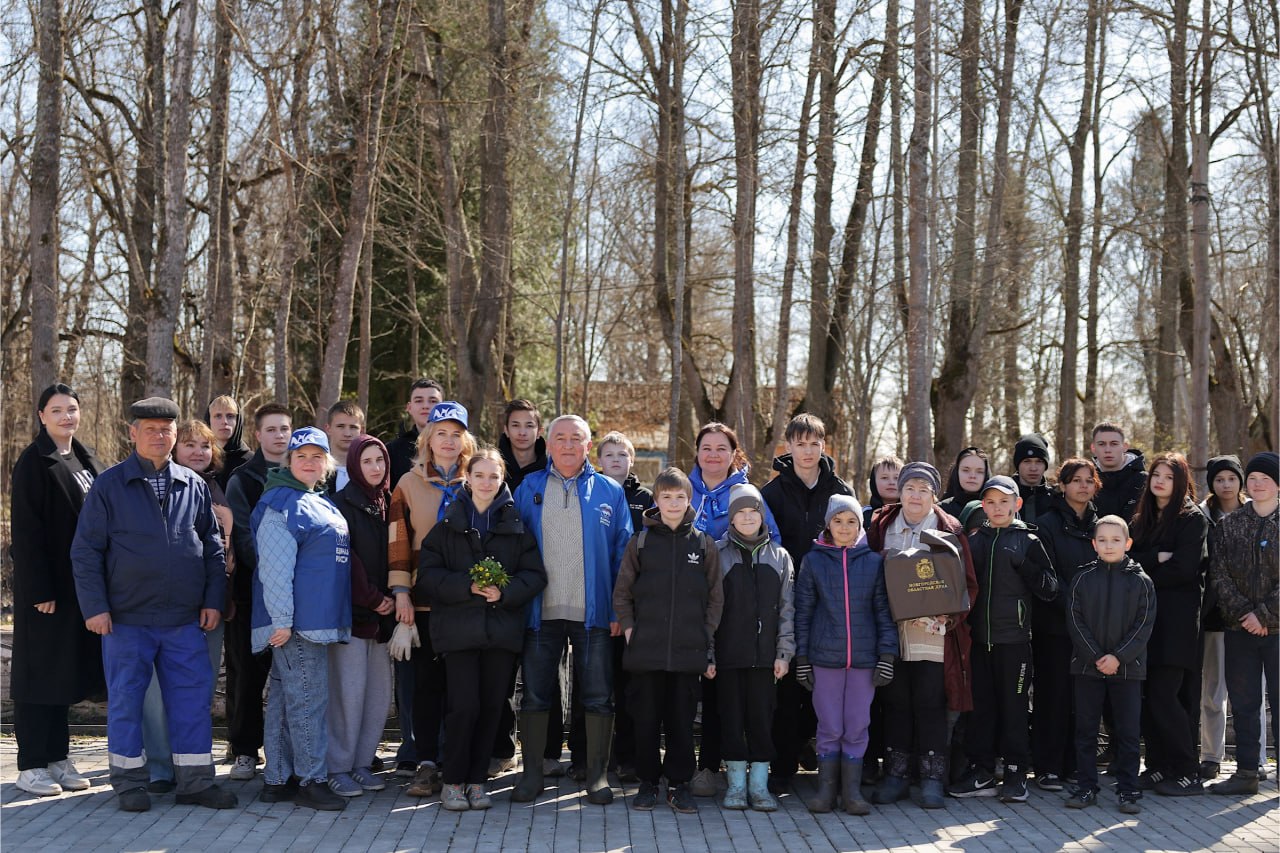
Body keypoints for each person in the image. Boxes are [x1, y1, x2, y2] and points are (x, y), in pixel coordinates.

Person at [71, 397, 234, 812]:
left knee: (192, 701)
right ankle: (129, 783)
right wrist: (95, 607)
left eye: (166, 429)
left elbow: (212, 548)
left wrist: (213, 599)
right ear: (133, 433)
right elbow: (86, 551)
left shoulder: (193, 485)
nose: (160, 436)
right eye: (150, 429)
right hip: (127, 619)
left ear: (176, 433)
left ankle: (195, 782)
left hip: (184, 620)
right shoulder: (109, 485)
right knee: (126, 702)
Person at [511, 414, 633, 806]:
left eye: (575, 438)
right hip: (539, 613)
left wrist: (619, 610)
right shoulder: (528, 487)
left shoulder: (610, 491)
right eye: (560, 438)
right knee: (535, 696)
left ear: (587, 445)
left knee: (597, 695)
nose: (567, 445)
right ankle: (532, 775)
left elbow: (623, 556)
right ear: (548, 443)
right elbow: (512, 548)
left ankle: (596, 775)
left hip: (594, 613)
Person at [417, 449, 547, 810]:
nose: (486, 482)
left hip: (501, 634)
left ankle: (476, 782)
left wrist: (505, 592)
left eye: (493, 476)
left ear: (502, 480)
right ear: (468, 479)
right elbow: (427, 575)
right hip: (458, 633)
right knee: (463, 708)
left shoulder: (516, 526)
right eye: (479, 475)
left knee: (491, 708)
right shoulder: (448, 524)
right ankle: (453, 781)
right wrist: (466, 586)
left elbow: (535, 575)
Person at [10, 384, 106, 797]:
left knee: (62, 674)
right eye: (57, 410)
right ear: (41, 416)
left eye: (72, 409)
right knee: (38, 676)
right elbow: (26, 533)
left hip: (78, 589)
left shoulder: (86, 459)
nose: (67, 416)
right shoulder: (34, 462)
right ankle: (31, 764)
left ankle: (56, 758)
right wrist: (39, 589)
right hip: (46, 591)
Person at [866, 462, 978, 809]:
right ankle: (895, 776)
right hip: (890, 630)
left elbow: (967, 584)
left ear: (934, 496)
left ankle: (931, 779)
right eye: (909, 488)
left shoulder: (950, 529)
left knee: (930, 703)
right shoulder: (880, 526)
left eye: (923, 490)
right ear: (900, 492)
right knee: (895, 702)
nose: (915, 496)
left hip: (933, 633)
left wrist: (951, 615)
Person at [251, 426, 352, 810]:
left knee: (285, 698)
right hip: (297, 625)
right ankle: (312, 780)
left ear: (327, 463)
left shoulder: (316, 500)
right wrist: (281, 620)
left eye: (317, 457)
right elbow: (275, 569)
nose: (309, 462)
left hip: (314, 620)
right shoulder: (281, 503)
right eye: (301, 456)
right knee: (308, 700)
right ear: (288, 461)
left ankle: (277, 779)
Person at [613, 467, 723, 814]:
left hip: (688, 652)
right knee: (645, 720)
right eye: (666, 497)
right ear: (656, 501)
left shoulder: (703, 544)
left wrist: (705, 635)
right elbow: (622, 593)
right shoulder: (641, 542)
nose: (673, 503)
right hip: (645, 651)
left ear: (689, 501)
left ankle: (679, 784)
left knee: (681, 722)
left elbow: (715, 598)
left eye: (680, 497)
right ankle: (648, 782)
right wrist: (630, 629)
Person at [949, 475, 1058, 804]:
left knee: (1014, 709)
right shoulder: (974, 541)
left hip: (1015, 642)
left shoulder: (1029, 541)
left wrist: (1024, 565)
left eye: (1004, 502)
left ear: (1017, 504)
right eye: (991, 502)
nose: (998, 508)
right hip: (979, 641)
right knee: (981, 709)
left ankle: (1015, 772)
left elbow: (1051, 589)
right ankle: (982, 771)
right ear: (983, 506)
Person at [760, 414, 852, 792]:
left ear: (823, 446)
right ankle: (782, 766)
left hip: (828, 601)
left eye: (815, 443)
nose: (808, 451)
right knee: (785, 685)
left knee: (822, 681)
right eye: (800, 444)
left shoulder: (839, 490)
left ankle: (815, 751)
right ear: (789, 447)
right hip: (785, 599)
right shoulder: (772, 492)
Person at [141, 420, 233, 794]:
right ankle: (160, 767)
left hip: (209, 608)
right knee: (156, 691)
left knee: (199, 691)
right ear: (175, 448)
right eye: (190, 444)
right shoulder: (156, 485)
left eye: (205, 446)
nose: (198, 452)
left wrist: (216, 600)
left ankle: (192, 765)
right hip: (161, 609)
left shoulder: (220, 489)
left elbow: (219, 552)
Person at [388, 401, 474, 796]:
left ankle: (457, 762)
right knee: (424, 685)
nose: (449, 441)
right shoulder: (408, 483)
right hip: (422, 600)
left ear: (465, 441)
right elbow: (398, 542)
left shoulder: (477, 480)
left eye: (457, 434)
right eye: (441, 433)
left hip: (465, 601)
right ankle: (425, 763)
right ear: (428, 438)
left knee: (461, 686)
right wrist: (401, 592)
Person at [688, 422, 778, 796]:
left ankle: (731, 770)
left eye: (721, 448)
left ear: (733, 454)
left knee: (727, 694)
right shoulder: (682, 490)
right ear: (697, 453)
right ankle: (701, 766)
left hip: (735, 608)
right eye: (706, 448)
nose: (713, 454)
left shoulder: (747, 495)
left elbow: (772, 543)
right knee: (695, 691)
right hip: (688, 604)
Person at [795, 494, 897, 815]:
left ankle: (852, 793)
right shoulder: (813, 561)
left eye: (851, 521)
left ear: (860, 526)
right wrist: (802, 658)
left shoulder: (873, 563)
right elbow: (803, 612)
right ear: (828, 524)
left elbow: (884, 612)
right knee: (829, 726)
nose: (844, 527)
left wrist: (887, 655)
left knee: (856, 724)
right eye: (837, 521)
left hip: (864, 661)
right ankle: (826, 791)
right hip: (824, 659)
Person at [1129, 452, 1209, 797]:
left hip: (1177, 623)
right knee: (1148, 697)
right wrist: (1154, 558)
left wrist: (1145, 574)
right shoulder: (1142, 519)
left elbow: (1184, 569)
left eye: (1169, 477)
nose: (1160, 481)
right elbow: (1128, 559)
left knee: (1166, 696)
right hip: (1144, 620)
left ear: (1181, 483)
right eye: (1156, 475)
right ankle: (1158, 766)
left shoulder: (1192, 519)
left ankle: (1188, 771)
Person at [1063, 515, 1155, 815]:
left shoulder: (1141, 582)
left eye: (1116, 540)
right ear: (1093, 544)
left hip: (1127, 669)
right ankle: (1086, 786)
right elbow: (1074, 620)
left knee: (1128, 732)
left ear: (1128, 543)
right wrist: (1095, 656)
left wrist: (1118, 657)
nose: (1109, 545)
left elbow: (1144, 624)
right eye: (1102, 540)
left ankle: (1128, 789)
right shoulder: (1082, 578)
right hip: (1087, 668)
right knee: (1086, 731)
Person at [714, 483, 795, 812]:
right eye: (741, 513)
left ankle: (759, 785)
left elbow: (788, 609)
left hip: (766, 659)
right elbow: (709, 610)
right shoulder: (718, 555)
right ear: (731, 519)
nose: (748, 518)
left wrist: (784, 653)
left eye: (753, 512)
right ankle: (735, 784)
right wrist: (709, 653)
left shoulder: (780, 557)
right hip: (728, 657)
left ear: (762, 516)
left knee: (762, 720)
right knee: (731, 719)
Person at [224, 402, 293, 781]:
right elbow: (243, 535)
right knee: (248, 676)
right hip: (253, 595)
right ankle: (245, 750)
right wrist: (275, 572)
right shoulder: (243, 479)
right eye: (271, 429)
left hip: (296, 596)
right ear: (258, 434)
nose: (279, 435)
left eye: (284, 428)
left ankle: (289, 750)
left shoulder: (304, 473)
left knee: (293, 676)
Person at [327, 435, 397, 797]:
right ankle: (337, 767)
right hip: (354, 617)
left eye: (380, 460)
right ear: (355, 465)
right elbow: (346, 559)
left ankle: (361, 763)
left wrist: (395, 597)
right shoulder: (340, 504)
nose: (375, 467)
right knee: (347, 696)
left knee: (377, 697)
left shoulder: (389, 502)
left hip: (384, 620)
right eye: (367, 461)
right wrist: (372, 598)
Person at [1207, 452, 1279, 796]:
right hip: (1239, 630)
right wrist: (1245, 615)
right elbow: (1218, 575)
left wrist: (1263, 615)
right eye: (1253, 478)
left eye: (1265, 479)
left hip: (1278, 631)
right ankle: (1247, 772)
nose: (1258, 484)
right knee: (1245, 703)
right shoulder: (1229, 525)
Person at [1031, 457, 1102, 792]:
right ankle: (1047, 766)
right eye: (1076, 480)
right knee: (1053, 696)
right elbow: (1046, 576)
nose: (1083, 486)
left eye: (1089, 480)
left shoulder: (1102, 525)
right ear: (1062, 485)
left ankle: (1076, 765)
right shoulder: (1046, 524)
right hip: (1055, 626)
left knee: (1083, 699)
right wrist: (1073, 607)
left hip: (1092, 628)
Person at [1198, 454, 1266, 782]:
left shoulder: (1258, 512)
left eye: (1231, 478)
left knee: (1253, 694)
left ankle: (1257, 761)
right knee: (1213, 692)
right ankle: (1211, 756)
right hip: (1215, 617)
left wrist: (1258, 611)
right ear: (1211, 483)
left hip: (1255, 619)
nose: (1226, 484)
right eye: (1219, 479)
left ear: (1240, 481)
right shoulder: (1201, 516)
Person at [595, 430, 653, 781]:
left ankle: (629, 757)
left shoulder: (645, 498)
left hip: (634, 608)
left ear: (632, 460)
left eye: (623, 455)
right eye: (610, 455)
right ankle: (592, 758)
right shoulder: (591, 493)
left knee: (630, 685)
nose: (616, 460)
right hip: (597, 603)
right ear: (599, 460)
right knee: (597, 686)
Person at [387, 379, 445, 488]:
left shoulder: (458, 447)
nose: (425, 406)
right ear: (409, 407)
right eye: (419, 401)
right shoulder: (393, 451)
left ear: (443, 407)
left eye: (433, 401)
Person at [1090, 423, 1147, 521]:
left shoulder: (1145, 481)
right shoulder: (1085, 481)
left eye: (1114, 444)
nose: (1108, 450)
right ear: (1093, 448)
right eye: (1101, 444)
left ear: (1124, 446)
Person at [499, 398, 548, 490]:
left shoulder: (550, 471)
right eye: (515, 425)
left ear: (539, 432)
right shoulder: (492, 467)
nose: (522, 433)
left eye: (529, 426)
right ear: (506, 430)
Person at [206, 395, 251, 491]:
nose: (224, 422)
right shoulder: (200, 458)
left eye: (230, 416)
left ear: (238, 421)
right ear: (209, 420)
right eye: (218, 416)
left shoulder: (251, 462)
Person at [936, 446, 990, 524]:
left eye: (979, 471)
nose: (972, 476)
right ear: (957, 472)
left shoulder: (995, 510)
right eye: (966, 470)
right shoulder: (941, 510)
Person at [324, 400, 365, 493]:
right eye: (340, 426)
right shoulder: (316, 469)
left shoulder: (369, 471)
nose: (347, 434)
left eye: (353, 427)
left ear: (362, 431)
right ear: (328, 429)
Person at [1011, 434, 1053, 525]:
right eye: (1027, 461)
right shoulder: (1005, 496)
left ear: (1045, 465)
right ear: (1018, 465)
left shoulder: (1055, 499)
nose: (1033, 468)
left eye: (1039, 461)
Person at [863, 456, 903, 528]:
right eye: (884, 478)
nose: (891, 482)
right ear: (874, 482)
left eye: (896, 478)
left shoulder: (911, 514)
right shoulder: (863, 515)